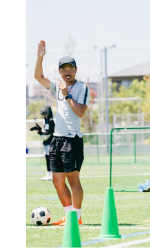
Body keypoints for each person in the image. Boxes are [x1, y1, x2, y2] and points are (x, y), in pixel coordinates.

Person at [34, 40, 90, 226]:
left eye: (70, 69)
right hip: (57, 140)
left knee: (73, 180)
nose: (67, 72)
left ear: (75, 70)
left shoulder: (82, 88)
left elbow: (80, 112)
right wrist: (40, 57)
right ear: (60, 71)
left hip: (72, 140)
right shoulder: (57, 85)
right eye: (64, 69)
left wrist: (67, 95)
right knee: (57, 181)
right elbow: (38, 76)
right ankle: (69, 216)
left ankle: (78, 217)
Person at [30, 106, 55, 181]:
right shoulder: (46, 121)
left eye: (44, 114)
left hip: (51, 142)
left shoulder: (51, 121)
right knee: (47, 158)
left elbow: (49, 132)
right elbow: (45, 132)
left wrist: (40, 131)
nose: (43, 116)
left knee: (50, 158)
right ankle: (48, 174)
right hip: (46, 142)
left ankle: (52, 174)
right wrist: (38, 129)